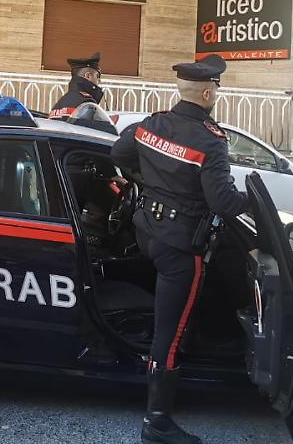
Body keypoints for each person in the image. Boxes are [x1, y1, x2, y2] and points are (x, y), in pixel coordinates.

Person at [110, 54, 248, 444]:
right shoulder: (210, 141)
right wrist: (252, 203)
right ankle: (157, 423)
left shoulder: (151, 124)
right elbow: (222, 202)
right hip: (178, 249)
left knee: (172, 317)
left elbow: (119, 155)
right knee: (169, 336)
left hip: (145, 234)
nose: (217, 94)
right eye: (217, 89)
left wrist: (149, 183)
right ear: (207, 93)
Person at [49, 53, 104, 119]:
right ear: (88, 76)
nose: (99, 80)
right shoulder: (86, 103)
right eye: (97, 76)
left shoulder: (60, 103)